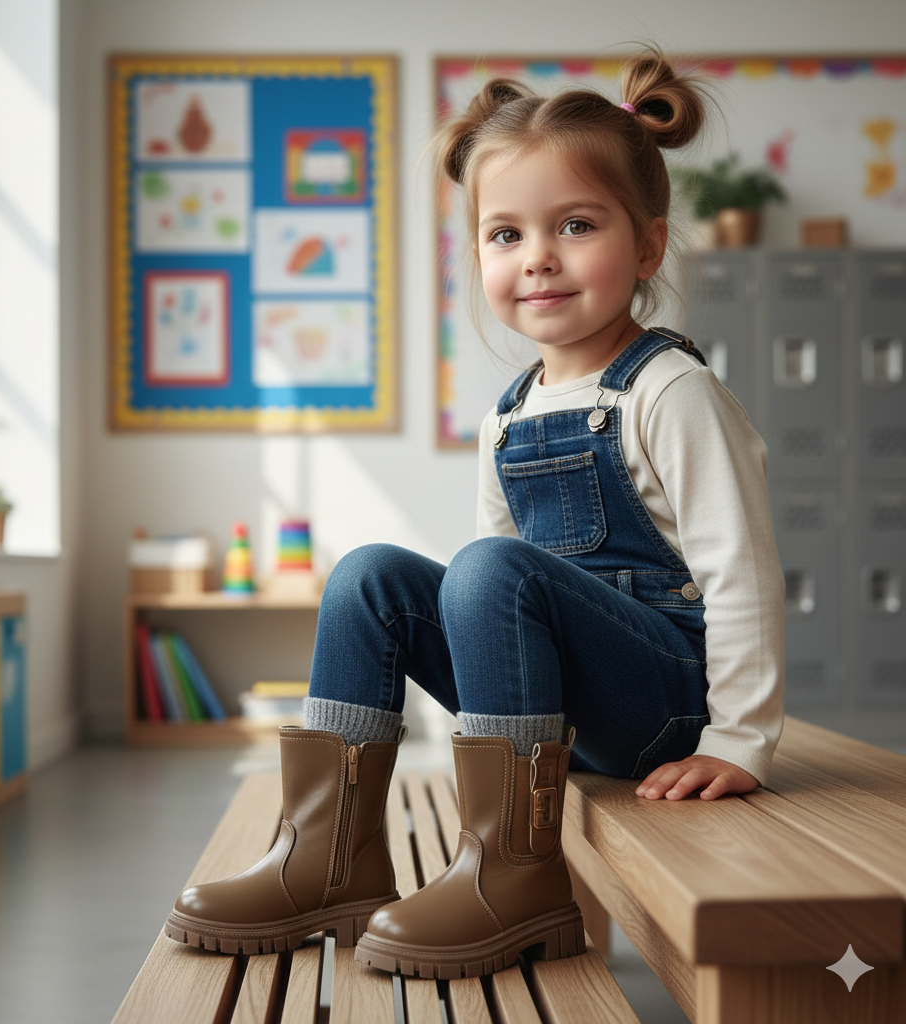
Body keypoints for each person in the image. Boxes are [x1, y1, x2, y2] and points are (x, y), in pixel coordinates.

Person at [163, 49, 785, 981]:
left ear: (648, 246)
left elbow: (741, 569)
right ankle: (325, 858)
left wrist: (738, 739)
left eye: (576, 225)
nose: (538, 256)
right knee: (371, 575)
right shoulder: (508, 411)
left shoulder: (670, 390)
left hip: (663, 708)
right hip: (561, 709)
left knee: (488, 567)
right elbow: (490, 611)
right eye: (505, 234)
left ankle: (511, 870)